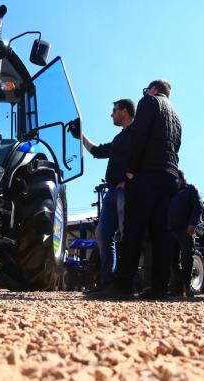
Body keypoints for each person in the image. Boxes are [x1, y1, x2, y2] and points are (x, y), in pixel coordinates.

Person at [97, 79, 182, 299]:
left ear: (154, 89)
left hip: (148, 175)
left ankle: (123, 285)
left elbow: (139, 136)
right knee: (160, 233)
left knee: (133, 230)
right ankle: (159, 286)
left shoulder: (149, 101)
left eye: (147, 89)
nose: (145, 92)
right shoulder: (176, 116)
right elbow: (177, 145)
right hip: (170, 176)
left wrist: (131, 170)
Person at [82, 99, 135, 289]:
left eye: (114, 110)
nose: (111, 114)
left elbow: (145, 157)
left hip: (126, 192)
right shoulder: (119, 138)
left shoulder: (137, 133)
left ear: (125, 111)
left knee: (127, 234)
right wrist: (80, 135)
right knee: (103, 234)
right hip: (111, 192)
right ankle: (108, 282)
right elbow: (96, 151)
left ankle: (125, 283)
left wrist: (129, 181)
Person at [168, 170, 203, 297]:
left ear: (181, 178)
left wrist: (192, 224)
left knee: (187, 259)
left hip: (185, 230)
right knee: (173, 261)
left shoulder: (191, 189)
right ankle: (176, 288)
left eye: (175, 179)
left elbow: (198, 206)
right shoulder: (171, 194)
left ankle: (187, 287)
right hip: (171, 231)